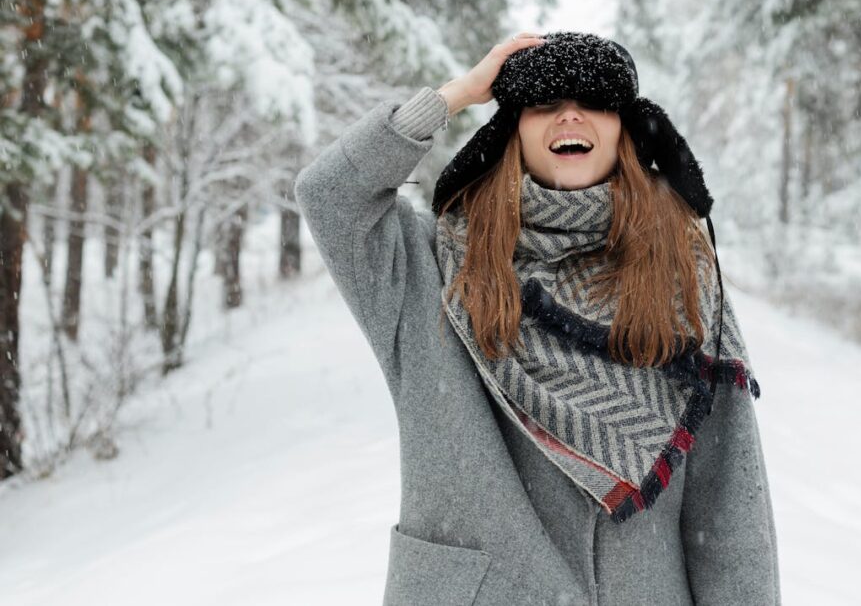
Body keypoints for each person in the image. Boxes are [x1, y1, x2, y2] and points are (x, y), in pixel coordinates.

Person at [294, 31, 780, 605]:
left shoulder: (683, 280)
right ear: (512, 130)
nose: (569, 116)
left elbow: (729, 513)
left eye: (595, 102)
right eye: (544, 102)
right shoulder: (434, 269)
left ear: (625, 128)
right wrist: (457, 94)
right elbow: (330, 197)